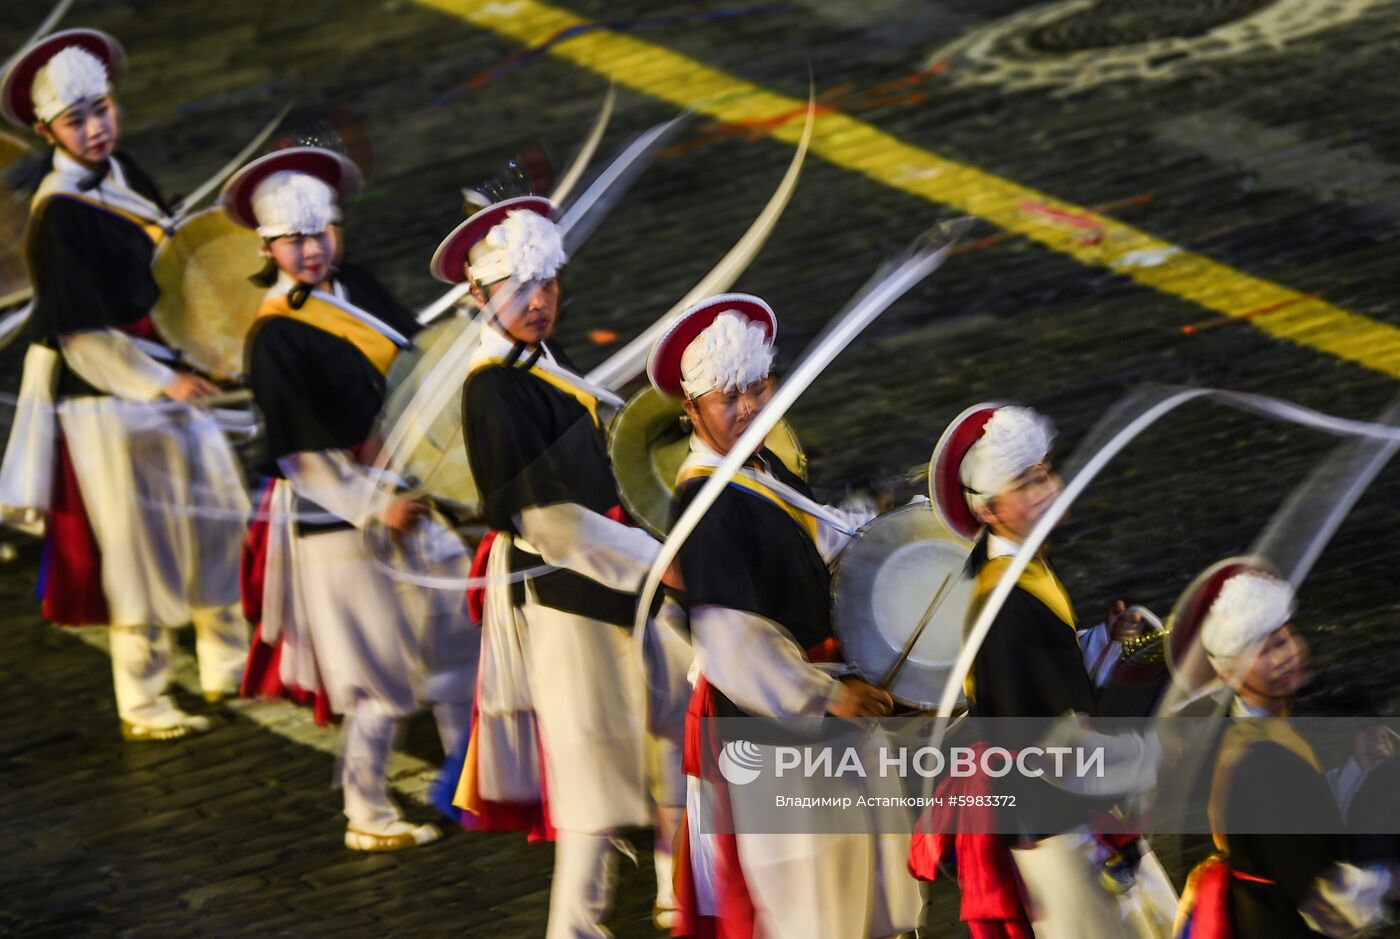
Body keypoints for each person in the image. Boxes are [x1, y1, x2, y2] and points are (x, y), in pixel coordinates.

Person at [433, 195, 690, 935]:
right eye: (519, 287)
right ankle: (574, 927)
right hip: (564, 594)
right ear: (478, 295)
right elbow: (547, 521)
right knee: (592, 772)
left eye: (548, 284)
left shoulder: (542, 358)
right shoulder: (494, 388)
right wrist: (657, 562)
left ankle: (677, 889)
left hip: (613, 577)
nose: (539, 301)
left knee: (670, 728)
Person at [225, 145, 476, 851]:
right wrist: (372, 505)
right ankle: (366, 813)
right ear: (268, 246)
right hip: (335, 521)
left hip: (407, 489)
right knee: (380, 678)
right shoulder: (272, 336)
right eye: (294, 239)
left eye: (320, 233)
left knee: (460, 639)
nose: (310, 249)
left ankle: (470, 782)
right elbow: (301, 455)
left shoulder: (356, 283)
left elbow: (413, 367)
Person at [0, 29, 249, 741]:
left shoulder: (125, 172)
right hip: (106, 397)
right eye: (76, 120)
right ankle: (141, 697)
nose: (96, 127)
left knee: (214, 516)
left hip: (166, 368)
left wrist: (200, 347)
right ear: (47, 131)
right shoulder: (57, 218)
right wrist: (158, 383)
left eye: (102, 109)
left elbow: (171, 270)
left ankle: (225, 664)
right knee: (136, 548)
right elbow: (79, 335)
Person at [649, 294, 923, 939]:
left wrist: (883, 536)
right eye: (726, 397)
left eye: (758, 386)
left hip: (821, 716)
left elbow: (813, 545)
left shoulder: (760, 464)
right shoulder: (706, 501)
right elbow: (729, 636)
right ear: (692, 408)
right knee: (814, 903)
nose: (748, 407)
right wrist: (826, 695)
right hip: (778, 735)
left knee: (863, 891)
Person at [910, 403, 1174, 938]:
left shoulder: (1017, 568)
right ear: (989, 510)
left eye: (1045, 472)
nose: (1049, 489)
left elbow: (1039, 672)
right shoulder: (1003, 603)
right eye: (1027, 483)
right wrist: (1149, 755)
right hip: (1057, 824)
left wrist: (1099, 643)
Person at [1173, 561, 1399, 937]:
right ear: (1229, 674)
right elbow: (1325, 898)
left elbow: (1304, 818)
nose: (1288, 654)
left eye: (1286, 636)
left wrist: (1355, 770)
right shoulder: (1258, 764)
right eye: (1267, 650)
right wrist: (1390, 878)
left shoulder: (1268, 724)